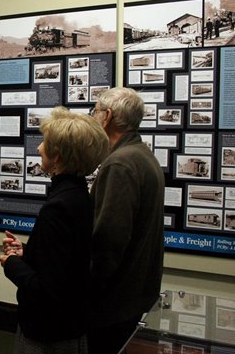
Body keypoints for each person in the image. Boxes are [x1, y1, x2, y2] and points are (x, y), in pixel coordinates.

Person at [0, 107, 109, 354]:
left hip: (48, 334)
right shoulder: (80, 196)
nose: (39, 148)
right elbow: (63, 264)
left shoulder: (59, 207)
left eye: (45, 142)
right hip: (71, 325)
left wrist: (12, 264)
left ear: (57, 156)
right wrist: (27, 253)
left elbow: (49, 291)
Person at [88, 87, 165, 354]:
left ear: (107, 116)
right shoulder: (141, 155)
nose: (93, 116)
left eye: (95, 111)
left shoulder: (120, 164)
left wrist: (88, 289)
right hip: (133, 296)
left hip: (115, 302)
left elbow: (109, 238)